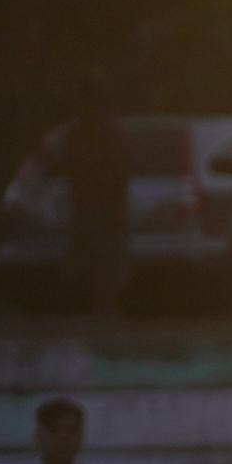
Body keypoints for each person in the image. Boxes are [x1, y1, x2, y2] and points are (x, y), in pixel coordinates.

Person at [64, 72, 131, 321]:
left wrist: (117, 204)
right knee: (92, 257)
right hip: (89, 203)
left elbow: (119, 169)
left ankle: (104, 308)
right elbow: (72, 166)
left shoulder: (108, 131)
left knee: (104, 258)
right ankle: (95, 308)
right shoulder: (81, 131)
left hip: (103, 203)